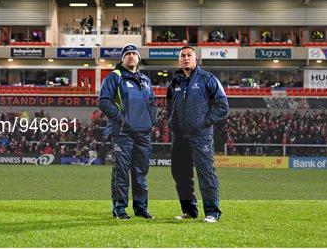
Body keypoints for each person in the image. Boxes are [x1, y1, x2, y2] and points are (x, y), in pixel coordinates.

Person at [166, 46, 229, 223]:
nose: (186, 58)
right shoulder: (175, 82)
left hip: (201, 135)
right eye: (183, 56)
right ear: (179, 60)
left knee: (205, 173)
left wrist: (205, 122)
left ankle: (212, 212)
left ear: (196, 59)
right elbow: (169, 108)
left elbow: (223, 106)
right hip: (179, 136)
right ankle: (189, 210)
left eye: (189, 55)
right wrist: (171, 122)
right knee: (180, 174)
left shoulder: (208, 79)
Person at [98, 44, 156, 220]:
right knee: (121, 171)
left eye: (134, 54)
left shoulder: (145, 80)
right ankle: (120, 209)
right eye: (128, 54)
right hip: (123, 132)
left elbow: (152, 103)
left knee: (141, 171)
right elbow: (104, 102)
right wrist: (122, 119)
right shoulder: (114, 77)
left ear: (138, 58)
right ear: (122, 58)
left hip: (143, 133)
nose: (131, 56)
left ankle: (141, 208)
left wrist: (151, 121)